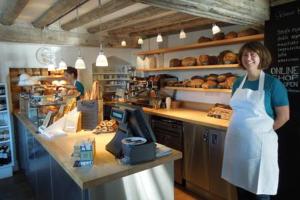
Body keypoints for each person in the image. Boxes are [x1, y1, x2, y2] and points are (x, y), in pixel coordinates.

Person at [221, 42, 290, 200]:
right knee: (241, 188)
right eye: (245, 54)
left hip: (259, 147)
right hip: (237, 143)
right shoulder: (238, 82)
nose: (248, 58)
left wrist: (263, 131)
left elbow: (284, 116)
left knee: (260, 191)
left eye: (253, 54)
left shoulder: (273, 84)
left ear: (261, 57)